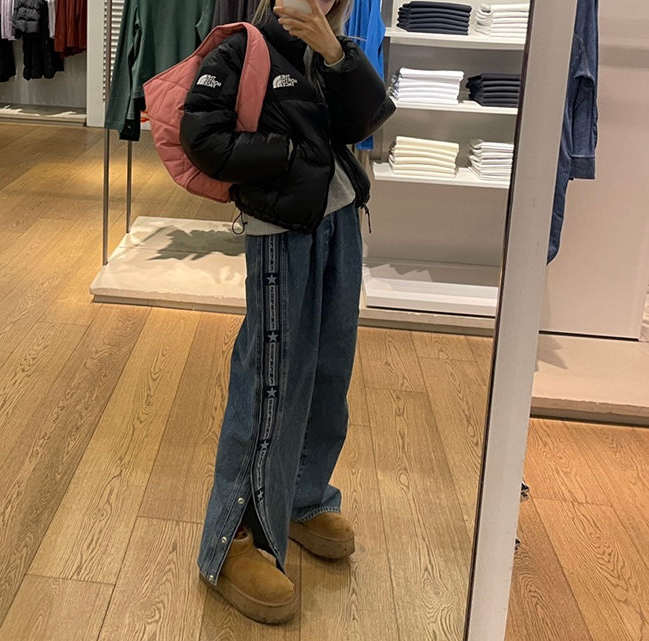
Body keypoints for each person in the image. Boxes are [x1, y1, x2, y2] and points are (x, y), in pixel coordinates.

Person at [180, 0, 394, 624]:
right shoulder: (241, 48)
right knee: (271, 382)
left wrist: (334, 52)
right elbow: (202, 139)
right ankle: (231, 540)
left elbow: (367, 120)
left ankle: (303, 496)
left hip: (341, 223)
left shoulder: (332, 48)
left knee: (329, 373)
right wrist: (290, 155)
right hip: (280, 235)